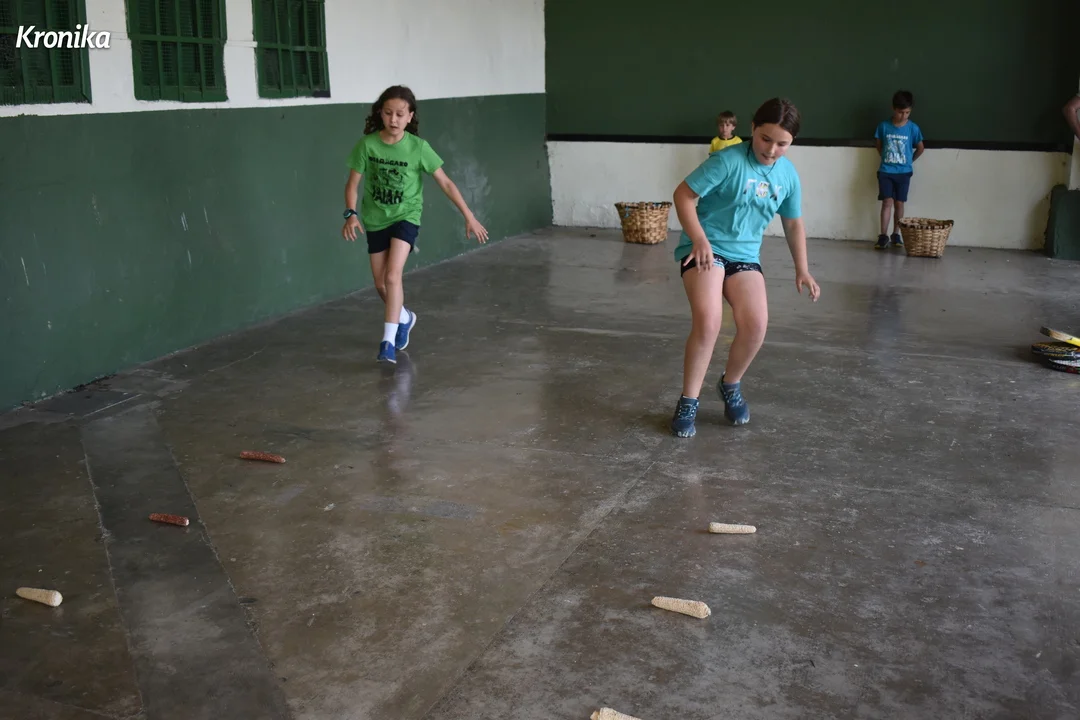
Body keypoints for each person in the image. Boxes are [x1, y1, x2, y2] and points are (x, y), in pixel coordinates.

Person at [670, 97, 820, 438]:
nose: (771, 150)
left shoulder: (787, 174)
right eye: (765, 139)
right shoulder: (727, 161)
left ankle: (730, 384)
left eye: (782, 144)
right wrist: (699, 238)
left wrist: (803, 269)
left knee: (756, 325)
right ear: (752, 129)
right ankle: (688, 401)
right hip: (706, 248)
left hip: (745, 256)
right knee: (709, 322)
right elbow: (683, 195)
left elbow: (793, 223)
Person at [342, 85, 489, 365]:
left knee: (392, 276)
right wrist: (351, 213)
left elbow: (446, 182)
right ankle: (405, 317)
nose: (393, 119)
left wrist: (469, 216)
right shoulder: (367, 145)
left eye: (400, 114)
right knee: (380, 284)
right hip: (375, 218)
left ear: (410, 116)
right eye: (388, 113)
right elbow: (352, 184)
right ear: (380, 114)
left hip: (406, 216)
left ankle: (387, 342)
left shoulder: (419, 148)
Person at [874, 90, 925, 250]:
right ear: (893, 108)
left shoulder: (913, 128)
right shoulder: (883, 126)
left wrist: (909, 161)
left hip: (903, 173)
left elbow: (920, 148)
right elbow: (879, 145)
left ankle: (896, 234)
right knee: (887, 202)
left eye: (907, 112)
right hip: (886, 171)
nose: (904, 116)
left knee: (899, 203)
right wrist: (886, 158)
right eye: (900, 112)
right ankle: (883, 235)